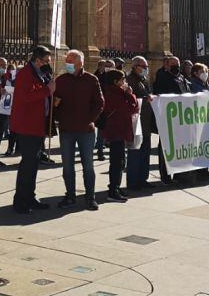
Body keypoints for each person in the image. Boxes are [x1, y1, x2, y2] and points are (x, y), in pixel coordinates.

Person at [53, 50, 104, 211]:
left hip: (86, 130)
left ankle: (90, 197)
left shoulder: (91, 80)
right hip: (66, 129)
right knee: (67, 166)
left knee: (88, 166)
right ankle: (70, 195)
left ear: (80, 63)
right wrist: (56, 113)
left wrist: (90, 119)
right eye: (67, 60)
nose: (67, 64)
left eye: (71, 61)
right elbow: (54, 102)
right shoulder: (60, 80)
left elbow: (99, 103)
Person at [11, 46, 55, 213]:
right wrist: (47, 90)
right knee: (27, 164)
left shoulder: (40, 73)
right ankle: (20, 200)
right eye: (46, 61)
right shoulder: (25, 73)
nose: (48, 65)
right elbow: (26, 97)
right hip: (27, 124)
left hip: (38, 124)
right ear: (37, 60)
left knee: (34, 163)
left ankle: (30, 196)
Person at [101, 69, 139, 203]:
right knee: (117, 162)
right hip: (116, 131)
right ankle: (113, 190)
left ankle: (115, 187)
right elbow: (132, 108)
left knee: (120, 161)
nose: (125, 83)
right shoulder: (114, 94)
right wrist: (130, 95)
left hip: (119, 130)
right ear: (115, 82)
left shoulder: (117, 92)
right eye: (122, 80)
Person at [152, 55, 185, 184]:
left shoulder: (181, 78)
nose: (176, 66)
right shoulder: (162, 78)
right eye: (173, 64)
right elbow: (159, 95)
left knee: (179, 147)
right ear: (166, 65)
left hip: (181, 118)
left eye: (178, 63)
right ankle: (165, 176)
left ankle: (177, 173)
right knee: (166, 147)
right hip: (168, 118)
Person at [125, 56, 154, 192]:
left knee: (145, 151)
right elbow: (130, 99)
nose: (146, 69)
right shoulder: (129, 80)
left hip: (146, 121)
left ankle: (143, 179)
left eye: (146, 67)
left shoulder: (144, 81)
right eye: (143, 66)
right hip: (136, 122)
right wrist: (145, 99)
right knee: (135, 153)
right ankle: (133, 181)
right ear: (135, 66)